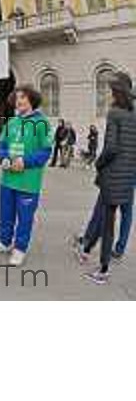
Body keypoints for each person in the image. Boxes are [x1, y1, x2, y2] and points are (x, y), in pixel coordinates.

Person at [74, 72, 136, 284]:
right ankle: (86, 249)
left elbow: (110, 148)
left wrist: (98, 163)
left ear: (117, 92)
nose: (109, 93)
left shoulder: (115, 113)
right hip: (128, 176)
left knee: (106, 221)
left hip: (112, 175)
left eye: (111, 90)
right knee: (107, 215)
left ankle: (103, 269)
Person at [0, 85, 52, 266]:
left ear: (32, 100)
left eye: (23, 97)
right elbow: (2, 145)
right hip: (8, 180)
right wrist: (4, 158)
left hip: (28, 182)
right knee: (6, 213)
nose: (19, 101)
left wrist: (25, 161)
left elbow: (45, 151)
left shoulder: (42, 123)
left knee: (25, 218)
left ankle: (20, 249)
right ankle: (4, 242)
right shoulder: (12, 122)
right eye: (17, 98)